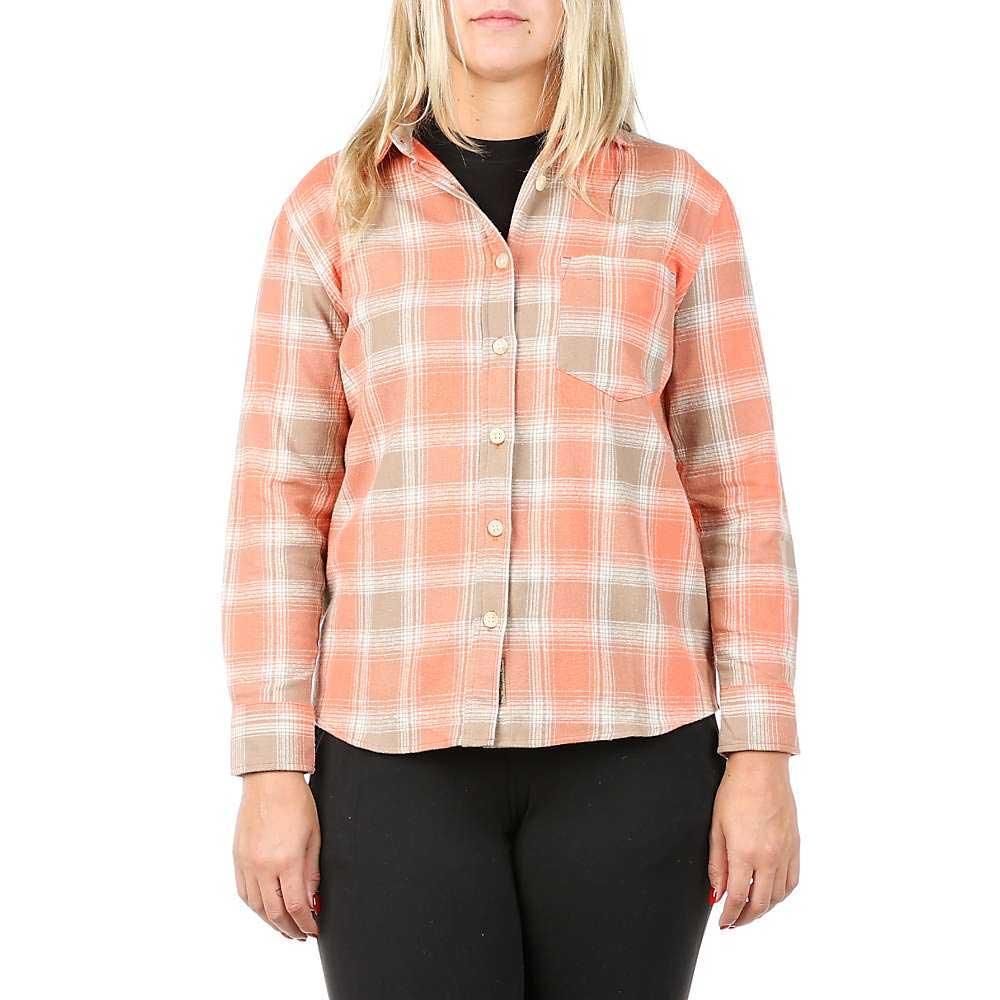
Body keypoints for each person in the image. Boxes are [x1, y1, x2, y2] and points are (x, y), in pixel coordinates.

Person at [221, 2, 801, 997]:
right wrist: (269, 766)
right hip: (388, 761)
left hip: (636, 750)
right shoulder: (332, 211)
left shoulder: (680, 205)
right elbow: (279, 500)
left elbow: (737, 495)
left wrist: (761, 751)